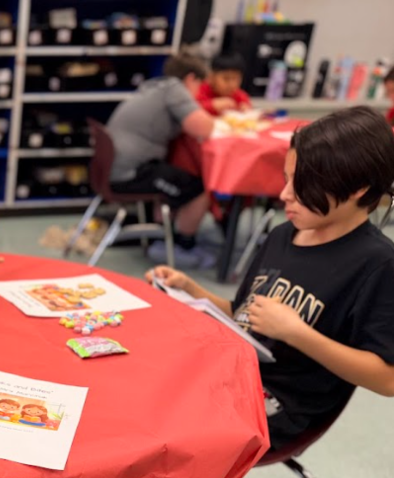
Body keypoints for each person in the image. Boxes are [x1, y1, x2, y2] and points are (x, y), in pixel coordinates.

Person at [146, 107, 394, 450]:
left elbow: (386, 378)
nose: (284, 194)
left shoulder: (378, 264)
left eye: (302, 184)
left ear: (357, 189)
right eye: (287, 177)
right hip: (233, 373)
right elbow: (244, 315)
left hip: (281, 409)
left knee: (162, 425)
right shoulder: (283, 234)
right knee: (142, 375)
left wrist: (297, 333)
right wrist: (190, 290)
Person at [106, 54, 216, 267]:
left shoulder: (154, 87)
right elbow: (204, 127)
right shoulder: (175, 90)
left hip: (116, 167)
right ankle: (184, 246)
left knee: (173, 174)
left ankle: (162, 237)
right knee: (199, 191)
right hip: (131, 173)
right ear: (192, 79)